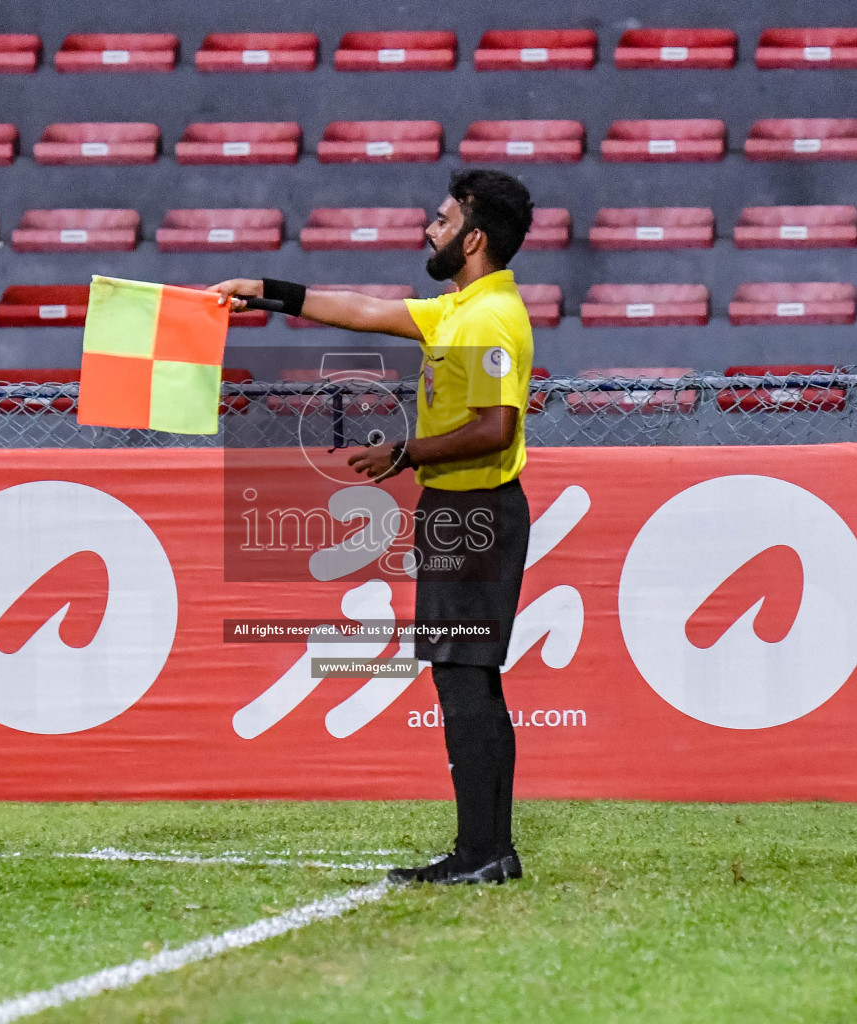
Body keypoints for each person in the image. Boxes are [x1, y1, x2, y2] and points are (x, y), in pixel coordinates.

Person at [210, 168, 536, 886]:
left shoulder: (484, 320)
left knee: (464, 680)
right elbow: (360, 309)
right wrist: (265, 290)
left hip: (473, 512)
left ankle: (483, 852)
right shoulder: (460, 309)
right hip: (459, 510)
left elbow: (496, 426)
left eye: (444, 219)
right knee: (466, 678)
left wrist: (406, 452)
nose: (430, 226)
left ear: (474, 238)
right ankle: (490, 850)